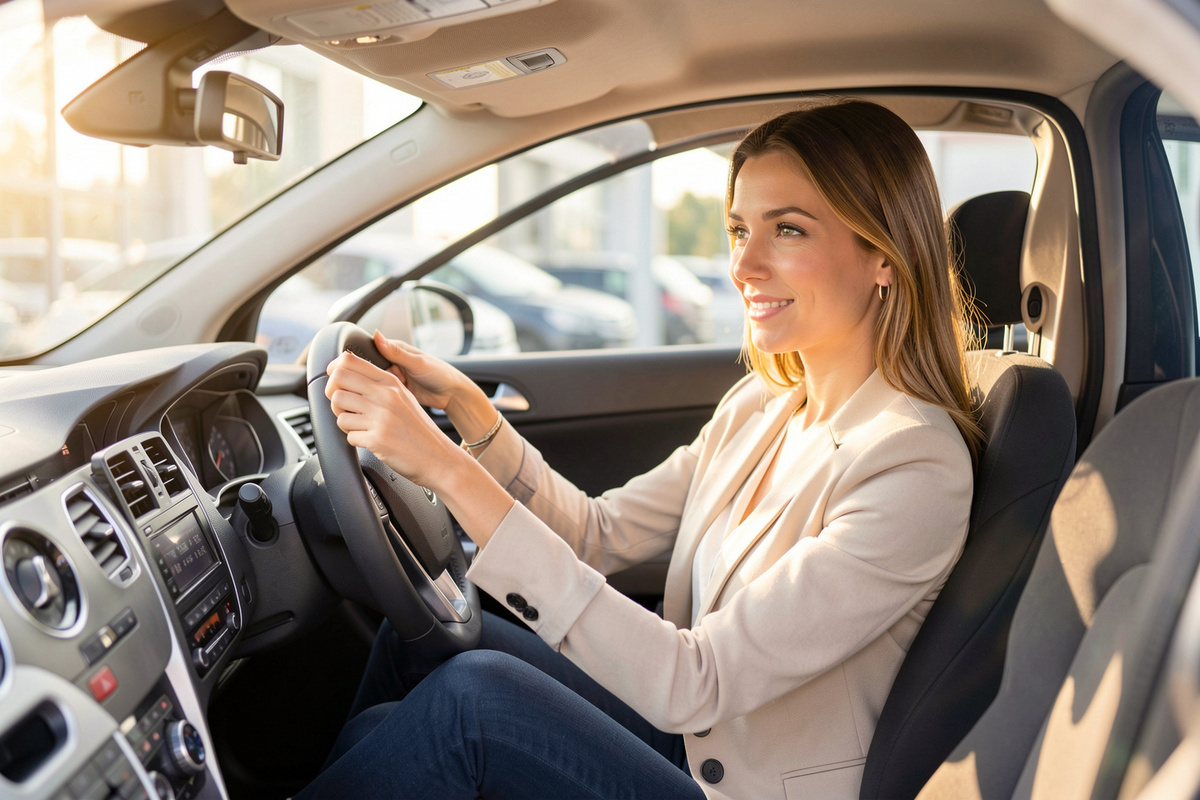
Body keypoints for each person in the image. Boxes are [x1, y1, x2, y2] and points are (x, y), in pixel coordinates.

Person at [300, 98, 983, 800]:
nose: (743, 265)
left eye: (787, 230)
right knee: (424, 639)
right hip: (694, 741)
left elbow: (698, 680)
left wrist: (442, 469)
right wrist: (471, 415)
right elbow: (598, 536)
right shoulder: (761, 407)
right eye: (740, 229)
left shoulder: (914, 467)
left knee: (471, 701)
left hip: (739, 783)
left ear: (883, 257)